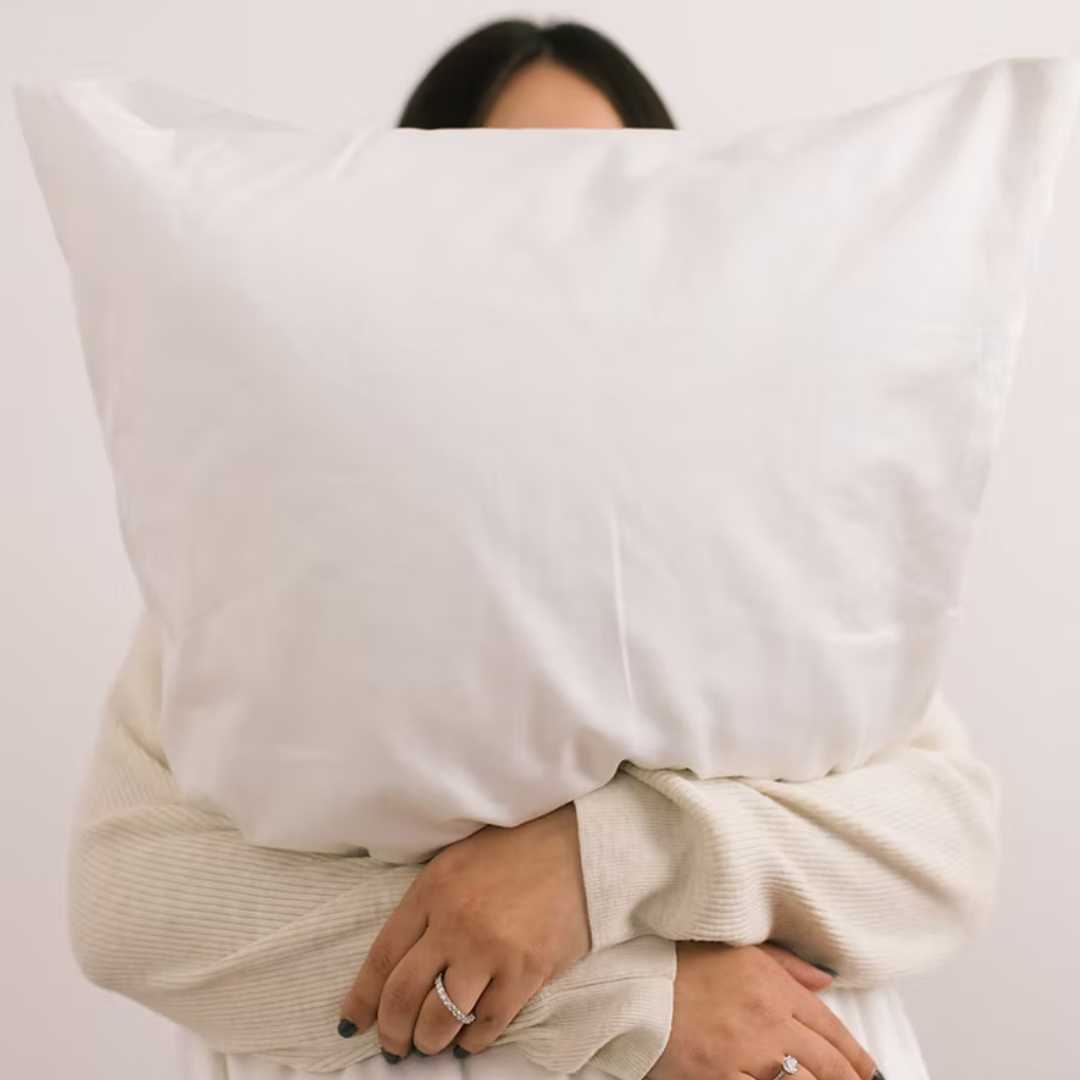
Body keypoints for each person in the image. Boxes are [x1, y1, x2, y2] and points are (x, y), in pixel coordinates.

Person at [68, 18, 1001, 1080]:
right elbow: (134, 907)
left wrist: (600, 863)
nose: (561, 240)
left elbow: (943, 854)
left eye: (607, 193)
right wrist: (632, 998)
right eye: (513, 192)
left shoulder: (774, 539)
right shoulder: (284, 565)